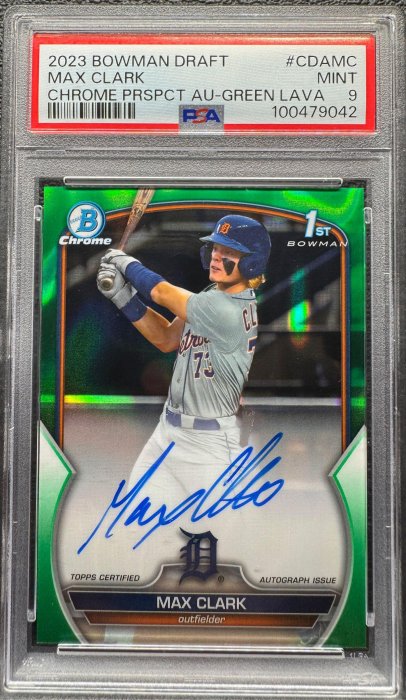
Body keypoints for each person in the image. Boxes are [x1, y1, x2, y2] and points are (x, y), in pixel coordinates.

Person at [97, 214, 271, 560]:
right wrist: (122, 296)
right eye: (216, 249)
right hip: (167, 433)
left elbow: (161, 292)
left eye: (229, 252)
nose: (217, 257)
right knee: (138, 533)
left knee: (218, 550)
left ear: (251, 262)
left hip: (210, 445)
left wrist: (125, 262)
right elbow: (165, 338)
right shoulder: (212, 295)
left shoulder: (228, 308)